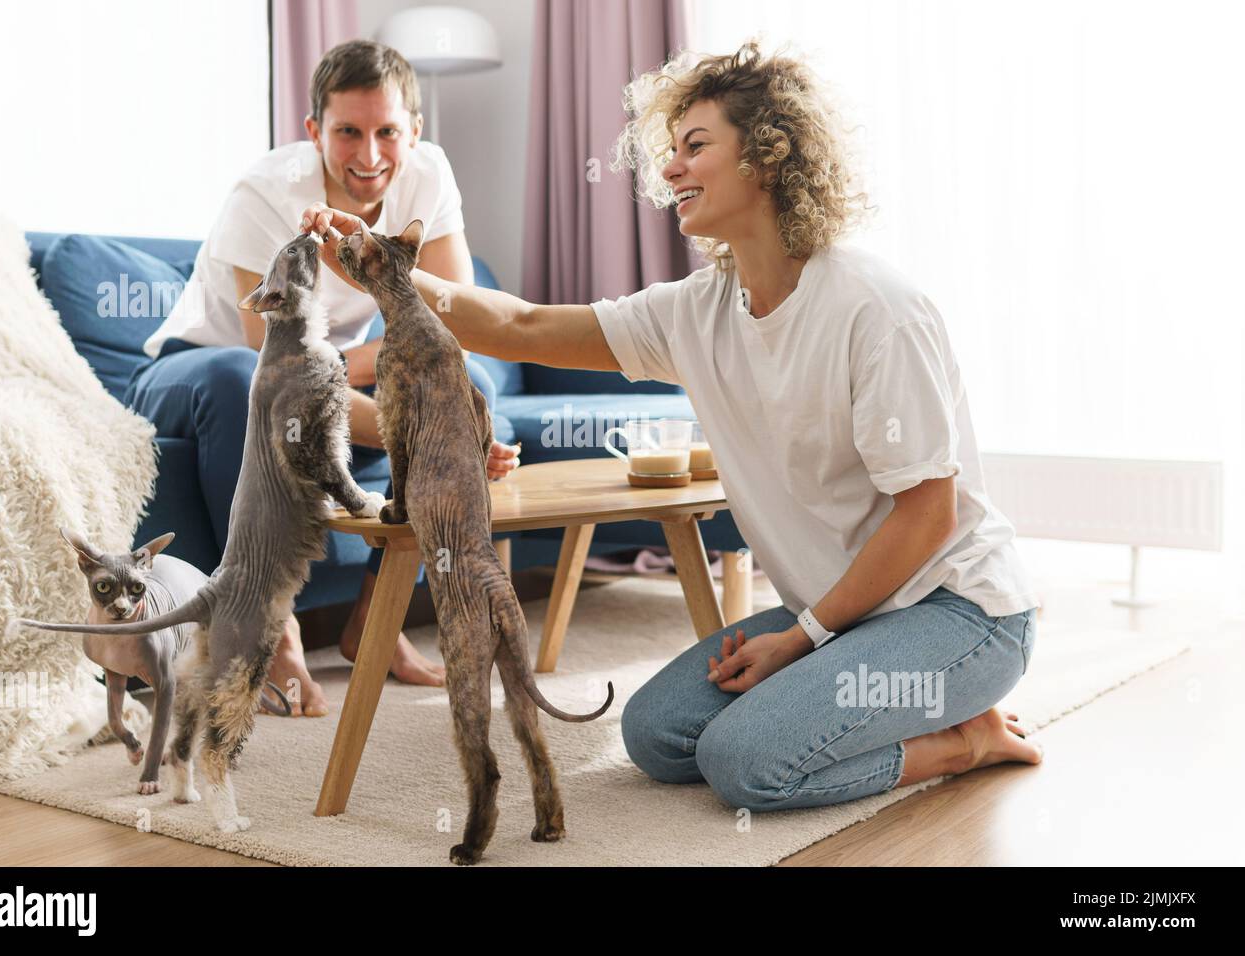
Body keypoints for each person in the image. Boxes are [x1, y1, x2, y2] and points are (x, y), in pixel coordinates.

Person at [302, 40, 1043, 809]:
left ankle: (964, 738)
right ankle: (870, 697)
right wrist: (385, 271)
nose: (670, 170)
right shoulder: (700, 308)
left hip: (960, 613)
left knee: (744, 763)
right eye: (670, 150)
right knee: (655, 734)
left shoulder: (873, 309)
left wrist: (802, 638)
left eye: (695, 147)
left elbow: (929, 514)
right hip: (848, 611)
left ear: (764, 155)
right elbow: (521, 324)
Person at [127, 40, 519, 715]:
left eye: (387, 132)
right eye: (347, 132)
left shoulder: (429, 174)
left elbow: (454, 318)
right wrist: (418, 436)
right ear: (315, 132)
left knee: (468, 392)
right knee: (242, 382)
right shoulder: (265, 194)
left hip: (319, 377)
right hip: (200, 372)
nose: (369, 155)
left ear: (414, 131)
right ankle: (271, 635)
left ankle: (376, 618)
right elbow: (274, 365)